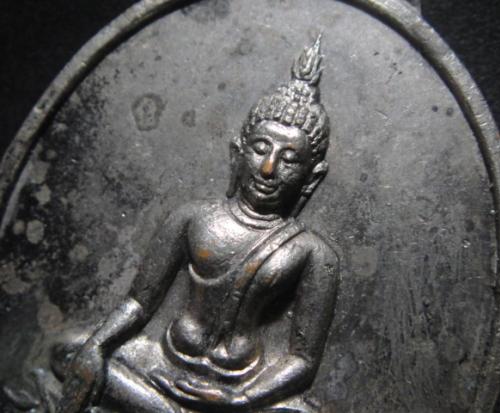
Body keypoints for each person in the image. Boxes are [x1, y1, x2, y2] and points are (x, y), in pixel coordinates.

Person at [11, 35, 339, 413]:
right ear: (238, 152)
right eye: (261, 148)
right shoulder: (193, 218)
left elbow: (302, 359)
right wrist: (97, 345)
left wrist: (239, 398)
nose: (268, 168)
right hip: (161, 366)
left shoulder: (314, 254)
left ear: (312, 177)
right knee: (70, 353)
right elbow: (139, 303)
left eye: (289, 159)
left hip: (242, 386)